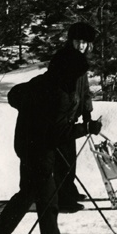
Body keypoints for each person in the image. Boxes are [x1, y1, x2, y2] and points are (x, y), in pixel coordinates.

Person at [0, 22, 102, 234]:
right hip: (39, 150)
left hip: (26, 144)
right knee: (48, 201)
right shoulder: (60, 96)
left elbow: (15, 95)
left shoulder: (42, 82)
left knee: (28, 194)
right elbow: (58, 133)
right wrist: (86, 128)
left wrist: (32, 111)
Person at [49, 23, 97, 213]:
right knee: (63, 160)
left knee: (70, 159)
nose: (81, 46)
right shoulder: (64, 59)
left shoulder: (80, 60)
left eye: (85, 43)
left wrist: (87, 113)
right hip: (58, 117)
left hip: (70, 117)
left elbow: (84, 91)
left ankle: (69, 190)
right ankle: (63, 199)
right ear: (71, 41)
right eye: (78, 42)